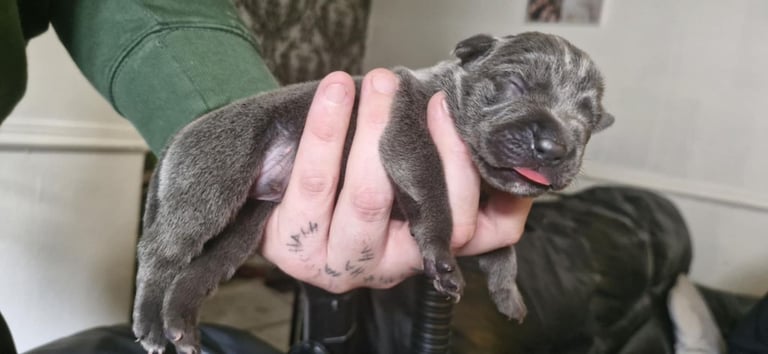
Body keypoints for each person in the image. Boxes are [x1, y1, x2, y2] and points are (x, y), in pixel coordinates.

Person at [1, 0, 532, 350]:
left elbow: (142, 12)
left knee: (228, 244)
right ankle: (155, 303)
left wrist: (216, 107)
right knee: (182, 239)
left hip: (261, 140)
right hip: (260, 139)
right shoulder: (426, 95)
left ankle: (176, 314)